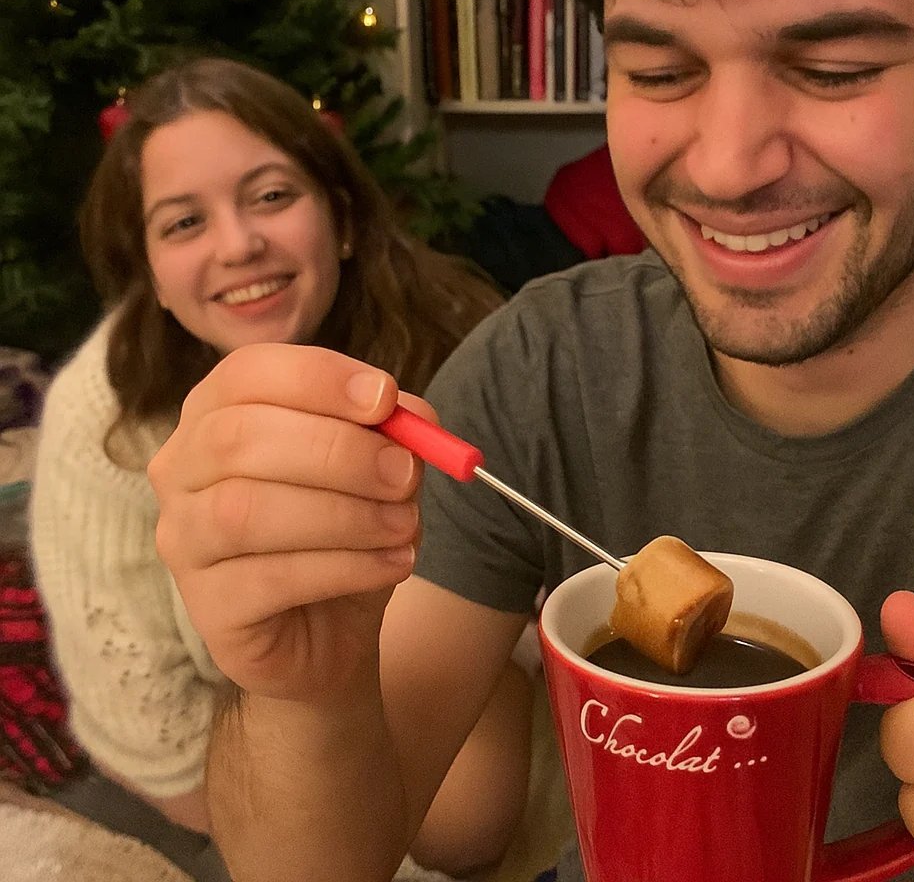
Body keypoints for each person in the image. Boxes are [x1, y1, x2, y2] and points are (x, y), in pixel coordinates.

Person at [149, 0, 914, 881]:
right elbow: (313, 867)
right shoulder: (542, 367)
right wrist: (301, 691)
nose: (726, 166)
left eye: (832, 68)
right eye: (657, 73)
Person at [29, 57, 535, 882]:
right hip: (225, 802)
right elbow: (145, 722)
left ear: (339, 217)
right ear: (150, 272)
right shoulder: (110, 414)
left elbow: (469, 814)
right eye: (183, 224)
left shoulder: (468, 348)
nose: (240, 245)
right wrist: (311, 813)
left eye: (271, 196)